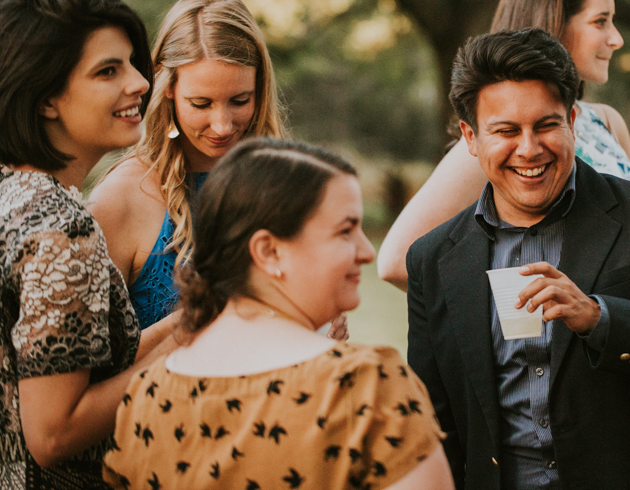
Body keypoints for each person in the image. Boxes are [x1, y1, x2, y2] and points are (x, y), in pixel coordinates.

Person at [406, 28, 630, 490]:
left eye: (546, 125)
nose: (529, 148)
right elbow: (436, 425)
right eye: (506, 131)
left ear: (572, 120)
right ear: (470, 136)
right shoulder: (432, 259)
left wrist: (599, 318)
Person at [103, 138, 454, 490]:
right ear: (268, 251)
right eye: (345, 230)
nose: (365, 250)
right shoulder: (364, 388)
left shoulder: (146, 397)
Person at [0, 0, 177, 487]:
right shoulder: (62, 229)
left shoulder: (15, 194)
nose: (141, 82)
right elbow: (54, 433)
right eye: (108, 71)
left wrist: (185, 326)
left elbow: (64, 365)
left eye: (131, 63)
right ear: (46, 97)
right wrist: (179, 357)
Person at [378, 0, 630, 290]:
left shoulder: (608, 124)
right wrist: (510, 306)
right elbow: (398, 260)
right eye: (600, 22)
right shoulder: (497, 145)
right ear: (554, 24)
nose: (616, 39)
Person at [89, 0, 286, 330]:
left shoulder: (283, 181)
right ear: (166, 87)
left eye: (240, 100)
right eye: (201, 103)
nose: (222, 125)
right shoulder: (120, 199)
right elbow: (87, 370)